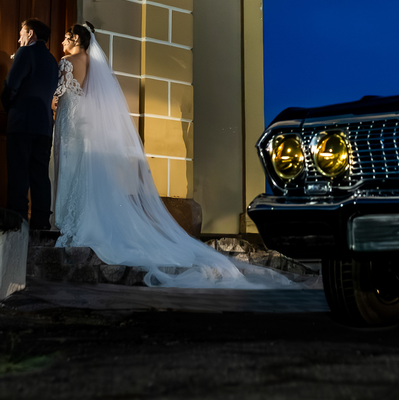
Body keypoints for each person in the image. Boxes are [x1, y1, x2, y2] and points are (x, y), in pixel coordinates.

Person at [51, 22, 289, 288]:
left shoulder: (68, 61)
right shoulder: (96, 65)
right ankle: (81, 217)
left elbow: (61, 92)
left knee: (71, 166)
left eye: (65, 38)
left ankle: (70, 220)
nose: (62, 42)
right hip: (87, 122)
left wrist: (53, 102)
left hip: (72, 120)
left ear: (75, 40)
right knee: (84, 168)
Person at [3, 18, 60, 229]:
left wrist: (7, 105)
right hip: (44, 126)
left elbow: (12, 85)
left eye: (21, 33)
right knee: (40, 177)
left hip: (21, 122)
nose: (19, 38)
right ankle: (41, 223)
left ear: (31, 34)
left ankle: (17, 223)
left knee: (18, 174)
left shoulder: (25, 53)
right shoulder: (53, 60)